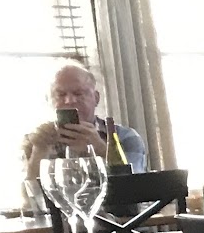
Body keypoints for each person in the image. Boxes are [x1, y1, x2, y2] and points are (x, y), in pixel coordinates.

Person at [20, 64, 148, 181]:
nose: (70, 101)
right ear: (49, 100)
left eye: (78, 93)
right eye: (61, 95)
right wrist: (39, 151)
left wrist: (100, 149)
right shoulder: (37, 140)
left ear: (96, 98)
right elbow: (28, 196)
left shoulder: (124, 137)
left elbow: (136, 184)